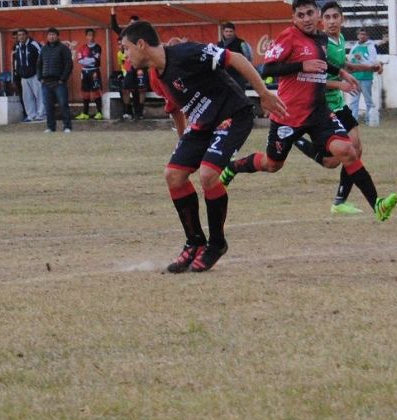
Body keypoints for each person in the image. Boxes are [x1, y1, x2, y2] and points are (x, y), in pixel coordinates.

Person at [122, 22, 286, 272]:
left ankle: (217, 244)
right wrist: (183, 145)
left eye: (126, 48)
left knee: (208, 175)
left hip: (232, 114)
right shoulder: (156, 76)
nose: (125, 54)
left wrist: (263, 93)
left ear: (141, 44)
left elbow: (236, 58)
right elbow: (175, 109)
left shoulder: (186, 53)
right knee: (173, 175)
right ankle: (194, 242)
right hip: (201, 124)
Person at [219, 0, 397, 223]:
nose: (306, 18)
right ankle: (233, 167)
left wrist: (342, 72)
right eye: (301, 15)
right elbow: (268, 68)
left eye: (310, 13)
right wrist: (301, 66)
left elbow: (321, 63)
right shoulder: (288, 37)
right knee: (272, 164)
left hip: (318, 112)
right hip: (288, 115)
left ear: (317, 15)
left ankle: (377, 204)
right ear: (294, 18)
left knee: (348, 150)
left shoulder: (322, 39)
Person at [292, 1, 384, 216]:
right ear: (321, 21)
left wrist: (370, 67)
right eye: (327, 17)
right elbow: (313, 80)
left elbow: (343, 65)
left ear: (343, 19)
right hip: (323, 105)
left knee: (355, 149)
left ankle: (340, 201)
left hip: (338, 102)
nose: (332, 21)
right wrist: (340, 85)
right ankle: (296, 139)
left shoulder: (340, 39)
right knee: (332, 161)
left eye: (335, 17)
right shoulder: (321, 45)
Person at [38, 27, 73, 133]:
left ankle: (67, 127)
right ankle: (50, 127)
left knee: (63, 104)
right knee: (48, 106)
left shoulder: (63, 48)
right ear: (47, 37)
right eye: (49, 35)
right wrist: (40, 78)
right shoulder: (44, 49)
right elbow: (39, 64)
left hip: (59, 82)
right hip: (46, 82)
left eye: (53, 35)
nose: (51, 37)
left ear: (58, 36)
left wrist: (63, 79)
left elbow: (69, 65)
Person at [111, 8, 144, 120]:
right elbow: (114, 27)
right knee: (125, 89)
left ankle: (139, 113)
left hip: (140, 65)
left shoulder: (143, 35)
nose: (133, 25)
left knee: (139, 90)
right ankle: (127, 111)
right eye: (131, 23)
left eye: (135, 24)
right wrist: (113, 13)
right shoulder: (125, 34)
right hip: (129, 66)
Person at [13, 28, 45, 122]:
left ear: (27, 35)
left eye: (23, 34)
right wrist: (18, 72)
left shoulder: (34, 44)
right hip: (23, 76)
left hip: (35, 74)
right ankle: (31, 115)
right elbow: (17, 61)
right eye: (19, 35)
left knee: (40, 95)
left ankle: (41, 114)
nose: (21, 37)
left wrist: (41, 72)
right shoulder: (17, 46)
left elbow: (42, 57)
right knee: (27, 97)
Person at [348, 28, 378, 123]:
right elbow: (350, 60)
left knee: (368, 100)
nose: (362, 36)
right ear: (357, 35)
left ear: (368, 36)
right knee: (354, 101)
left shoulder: (371, 47)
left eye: (364, 34)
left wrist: (361, 59)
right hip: (355, 77)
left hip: (366, 77)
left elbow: (372, 63)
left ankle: (369, 119)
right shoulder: (355, 47)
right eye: (360, 34)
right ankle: (353, 120)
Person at [75, 28, 103, 120]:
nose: (91, 37)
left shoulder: (97, 47)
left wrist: (86, 60)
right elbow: (79, 60)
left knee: (96, 92)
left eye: (92, 35)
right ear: (86, 36)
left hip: (94, 71)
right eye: (89, 35)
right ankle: (85, 113)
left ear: (94, 36)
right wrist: (88, 60)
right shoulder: (82, 47)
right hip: (84, 72)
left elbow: (95, 60)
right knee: (85, 92)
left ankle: (99, 112)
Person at [217, 22, 254, 91]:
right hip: (223, 76)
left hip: (238, 76)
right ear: (223, 32)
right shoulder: (219, 44)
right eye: (226, 31)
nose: (228, 33)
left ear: (234, 32)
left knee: (239, 95)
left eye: (230, 31)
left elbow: (249, 58)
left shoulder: (241, 43)